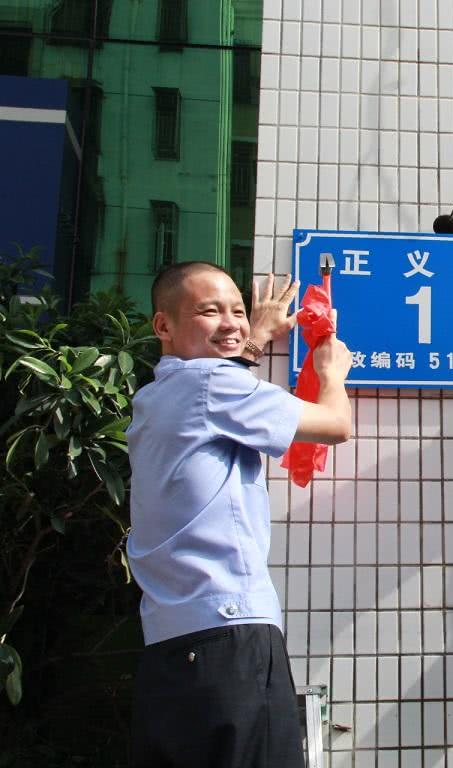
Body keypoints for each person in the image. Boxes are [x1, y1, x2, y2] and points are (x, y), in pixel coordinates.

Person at [127, 263, 353, 768]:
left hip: (169, 649)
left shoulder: (154, 396)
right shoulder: (212, 384)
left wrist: (255, 339)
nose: (231, 322)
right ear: (163, 325)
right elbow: (335, 425)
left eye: (237, 310)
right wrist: (332, 373)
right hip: (230, 638)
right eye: (209, 311)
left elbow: (214, 392)